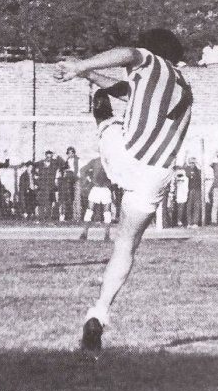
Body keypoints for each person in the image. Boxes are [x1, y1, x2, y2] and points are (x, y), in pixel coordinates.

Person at [54, 26, 193, 353]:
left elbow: (129, 54)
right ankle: (98, 313)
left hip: (126, 154)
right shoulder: (182, 87)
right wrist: (90, 75)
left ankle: (101, 118)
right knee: (126, 245)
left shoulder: (149, 60)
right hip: (155, 175)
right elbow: (127, 91)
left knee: (104, 113)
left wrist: (81, 66)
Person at [79, 157, 113, 242]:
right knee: (90, 210)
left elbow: (83, 170)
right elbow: (83, 170)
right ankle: (84, 233)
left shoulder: (110, 161)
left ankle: (106, 235)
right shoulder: (96, 161)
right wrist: (87, 181)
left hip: (105, 189)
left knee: (106, 212)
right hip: (97, 188)